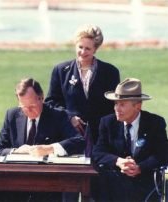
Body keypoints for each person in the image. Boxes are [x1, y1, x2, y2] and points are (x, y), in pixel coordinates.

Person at [0, 78, 85, 202]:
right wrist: (16, 151)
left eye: (32, 106)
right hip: (17, 183)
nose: (28, 111)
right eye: (24, 107)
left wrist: (50, 148)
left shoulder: (58, 115)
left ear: (41, 98)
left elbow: (79, 141)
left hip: (49, 184)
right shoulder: (12, 115)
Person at [45, 24, 120, 156]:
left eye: (88, 48)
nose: (83, 52)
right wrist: (69, 117)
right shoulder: (61, 70)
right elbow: (51, 102)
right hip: (68, 135)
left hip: (101, 137)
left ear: (95, 49)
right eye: (80, 47)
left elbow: (115, 106)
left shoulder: (110, 72)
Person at [92, 78, 168, 202]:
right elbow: (97, 153)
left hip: (145, 185)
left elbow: (163, 154)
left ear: (137, 106)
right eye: (116, 104)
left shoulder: (155, 123)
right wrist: (118, 161)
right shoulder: (107, 122)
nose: (117, 108)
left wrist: (140, 167)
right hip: (113, 185)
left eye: (122, 104)